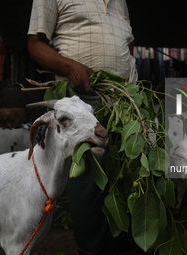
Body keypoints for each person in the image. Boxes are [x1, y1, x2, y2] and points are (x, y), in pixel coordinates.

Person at [27, 1, 138, 254]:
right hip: (82, 103)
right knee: (89, 185)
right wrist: (69, 66)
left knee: (124, 182)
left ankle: (121, 248)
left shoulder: (120, 1)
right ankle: (90, 250)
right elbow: (34, 44)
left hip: (124, 105)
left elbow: (129, 44)